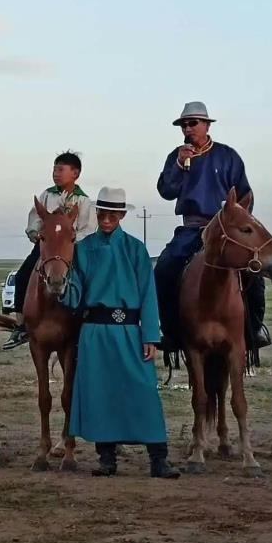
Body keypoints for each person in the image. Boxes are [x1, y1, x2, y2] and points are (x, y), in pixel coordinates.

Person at [61, 186, 180, 478]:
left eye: (114, 214)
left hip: (129, 331)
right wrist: (62, 285)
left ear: (122, 215)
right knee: (101, 393)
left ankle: (158, 459)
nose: (107, 219)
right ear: (97, 213)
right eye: (103, 213)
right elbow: (74, 296)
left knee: (143, 391)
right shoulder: (83, 249)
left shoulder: (136, 249)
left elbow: (148, 294)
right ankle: (106, 458)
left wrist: (151, 335)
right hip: (95, 333)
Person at [154, 101, 267, 355]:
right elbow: (166, 191)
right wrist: (180, 166)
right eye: (183, 124)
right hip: (192, 228)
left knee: (254, 272)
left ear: (206, 125)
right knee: (163, 270)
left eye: (193, 123)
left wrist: (237, 227)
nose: (188, 128)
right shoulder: (177, 156)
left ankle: (254, 330)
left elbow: (245, 196)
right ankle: (171, 332)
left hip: (225, 229)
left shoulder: (228, 156)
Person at [3, 151, 97, 350]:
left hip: (72, 249)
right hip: (45, 248)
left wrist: (67, 239)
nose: (56, 173)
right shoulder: (47, 195)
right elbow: (35, 218)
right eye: (54, 169)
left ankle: (87, 321)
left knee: (88, 280)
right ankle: (21, 326)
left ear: (76, 173)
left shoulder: (83, 201)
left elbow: (87, 229)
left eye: (61, 169)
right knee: (22, 276)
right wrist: (34, 233)